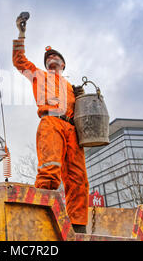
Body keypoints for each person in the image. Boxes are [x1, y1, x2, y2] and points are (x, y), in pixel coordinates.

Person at [12, 14, 89, 233]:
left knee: (78, 179)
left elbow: (84, 114)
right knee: (50, 170)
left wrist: (80, 97)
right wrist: (21, 33)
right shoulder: (38, 75)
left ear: (63, 64)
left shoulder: (71, 87)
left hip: (72, 131)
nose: (51, 58)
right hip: (51, 123)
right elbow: (19, 61)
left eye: (55, 56)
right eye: (48, 57)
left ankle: (78, 227)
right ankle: (39, 219)